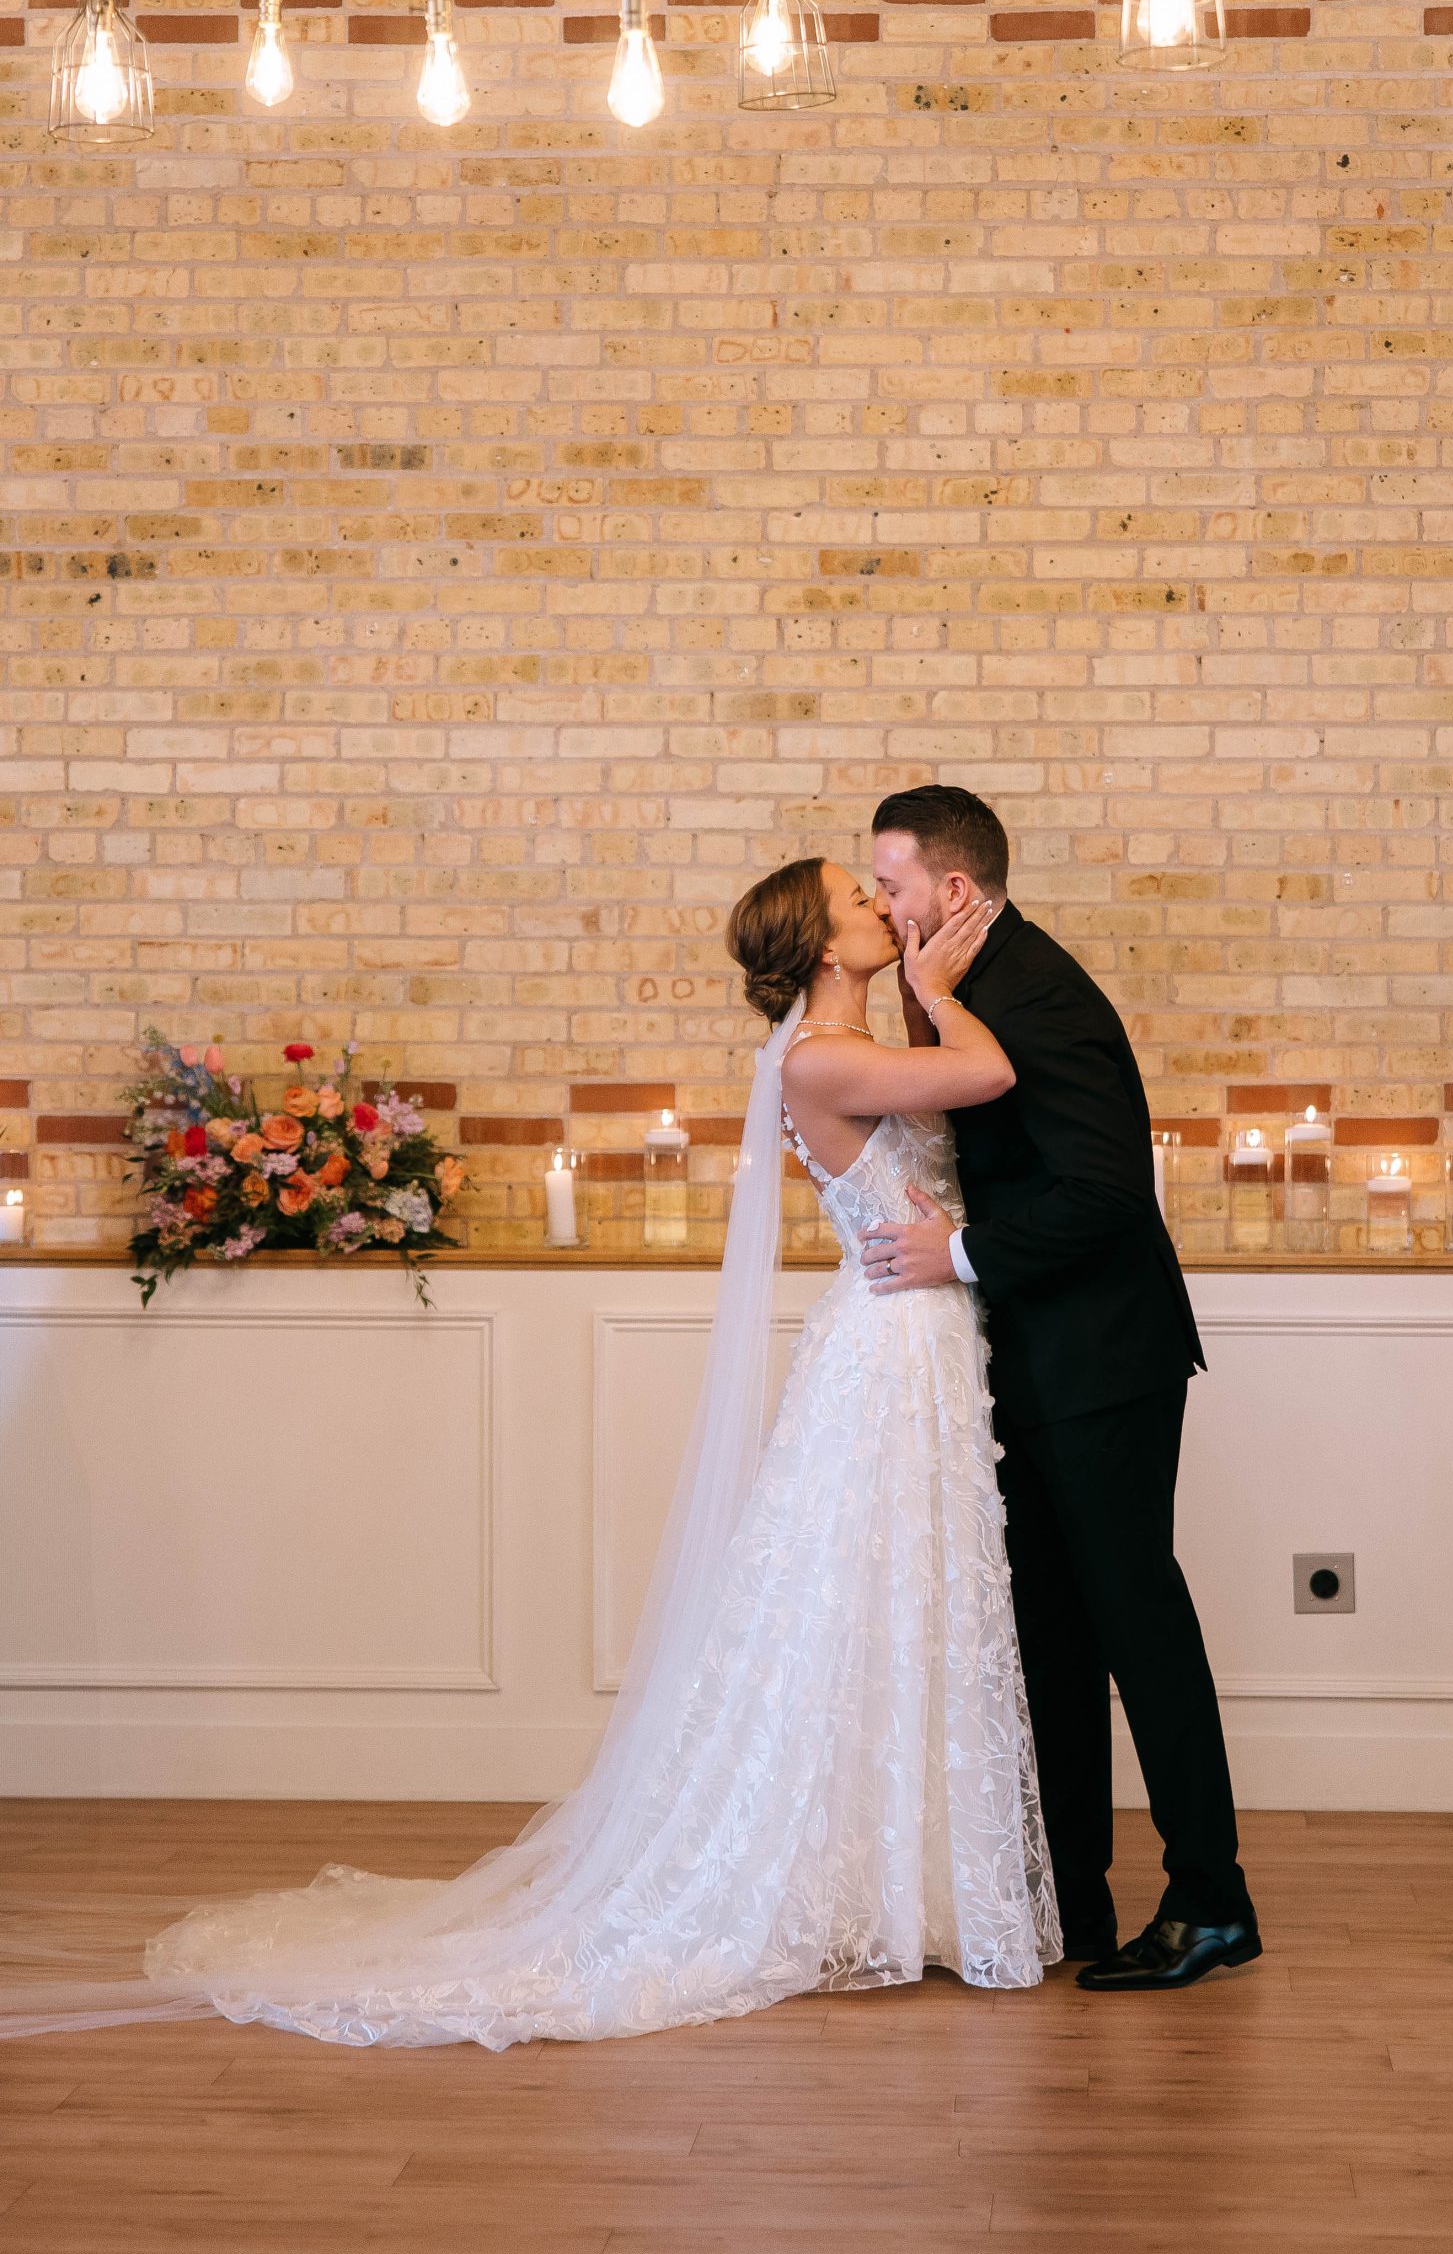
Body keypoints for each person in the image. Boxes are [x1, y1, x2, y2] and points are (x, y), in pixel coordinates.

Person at [0, 857, 1059, 2048]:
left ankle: (899, 1885)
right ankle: (826, 1884)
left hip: (922, 1334)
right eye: (859, 900)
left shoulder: (856, 1041)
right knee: (861, 1593)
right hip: (887, 1344)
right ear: (821, 943)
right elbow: (988, 1072)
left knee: (906, 1596)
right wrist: (936, 984)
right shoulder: (817, 1055)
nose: (881, 907)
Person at [860, 784, 1259, 1992]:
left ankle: (1212, 1900)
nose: (879, 904)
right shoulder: (969, 989)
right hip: (1033, 1361)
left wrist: (958, 1252)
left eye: (890, 884)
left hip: (1105, 1361)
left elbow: (1106, 1194)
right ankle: (1072, 1900)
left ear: (953, 890)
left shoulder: (1039, 993)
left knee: (1138, 1625)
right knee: (1051, 1636)